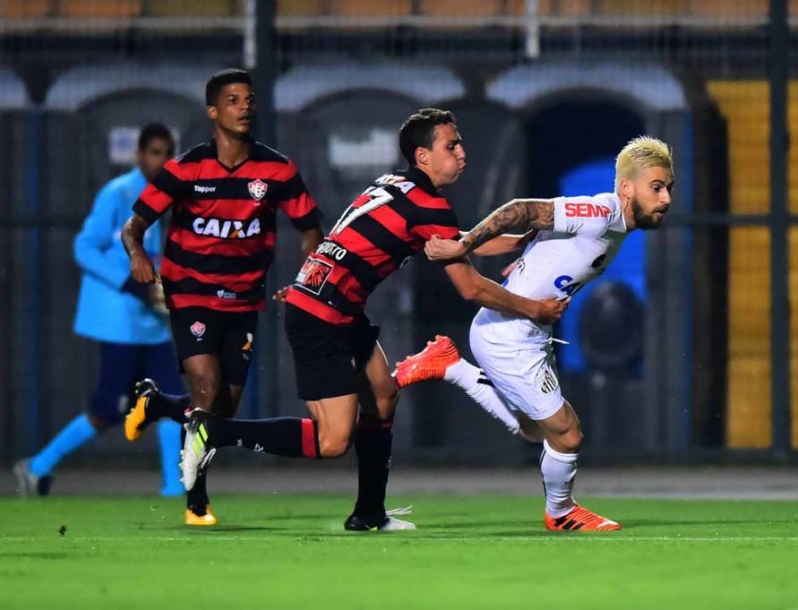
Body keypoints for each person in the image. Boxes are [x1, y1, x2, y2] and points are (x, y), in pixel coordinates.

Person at [179, 108, 567, 531]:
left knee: (382, 396)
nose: (462, 152)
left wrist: (520, 239)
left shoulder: (397, 185)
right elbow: (470, 287)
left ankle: (368, 515)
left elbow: (453, 244)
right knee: (333, 441)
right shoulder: (428, 205)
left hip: (333, 305)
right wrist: (534, 309)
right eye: (451, 145)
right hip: (321, 315)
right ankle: (215, 431)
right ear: (423, 156)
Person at [395, 136, 675, 532]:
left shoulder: (617, 225)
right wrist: (463, 245)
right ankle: (561, 511)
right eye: (657, 187)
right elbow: (520, 210)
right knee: (567, 434)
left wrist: (530, 258)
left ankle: (451, 366)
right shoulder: (600, 211)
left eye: (669, 188)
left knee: (534, 429)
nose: (665, 198)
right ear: (627, 188)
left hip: (525, 333)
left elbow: (546, 240)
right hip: (509, 335)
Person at [120, 69, 324, 526]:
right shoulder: (187, 169)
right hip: (190, 292)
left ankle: (156, 405)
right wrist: (137, 255)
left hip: (244, 300)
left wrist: (308, 276)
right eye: (234, 100)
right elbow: (133, 226)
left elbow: (310, 228)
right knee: (207, 388)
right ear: (213, 112)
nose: (245, 107)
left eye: (249, 99)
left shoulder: (278, 169)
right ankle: (197, 501)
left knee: (218, 413)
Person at [13, 123, 185, 498]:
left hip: (152, 323)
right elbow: (85, 247)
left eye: (167, 152)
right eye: (154, 152)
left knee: (172, 401)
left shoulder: (172, 199)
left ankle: (174, 488)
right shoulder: (118, 193)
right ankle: (37, 466)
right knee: (108, 408)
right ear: (139, 155)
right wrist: (128, 283)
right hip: (119, 321)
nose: (161, 159)